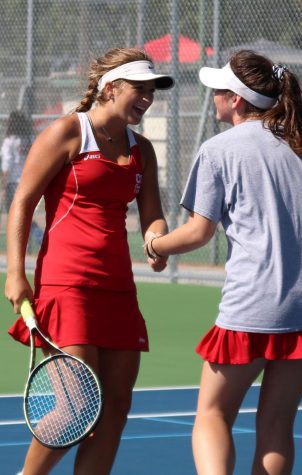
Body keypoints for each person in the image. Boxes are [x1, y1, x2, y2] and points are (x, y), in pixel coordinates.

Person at [144, 50, 302, 475]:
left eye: (218, 90)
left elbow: (198, 233)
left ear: (235, 100)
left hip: (255, 305)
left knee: (212, 416)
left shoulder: (219, 150)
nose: (214, 97)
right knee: (277, 426)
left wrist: (156, 246)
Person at [5, 47, 173, 475]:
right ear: (111, 86)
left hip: (118, 289)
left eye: (152, 90)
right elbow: (22, 202)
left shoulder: (143, 151)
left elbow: (151, 214)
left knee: (115, 410)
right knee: (79, 405)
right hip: (67, 285)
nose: (147, 97)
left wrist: (157, 242)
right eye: (140, 88)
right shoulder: (67, 132)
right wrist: (15, 272)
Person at [1, 110, 43, 246]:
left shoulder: (9, 142)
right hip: (30, 182)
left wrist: (3, 185)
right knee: (25, 216)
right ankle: (39, 239)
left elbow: (7, 165)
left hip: (13, 183)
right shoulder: (31, 138)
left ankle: (39, 241)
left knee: (15, 217)